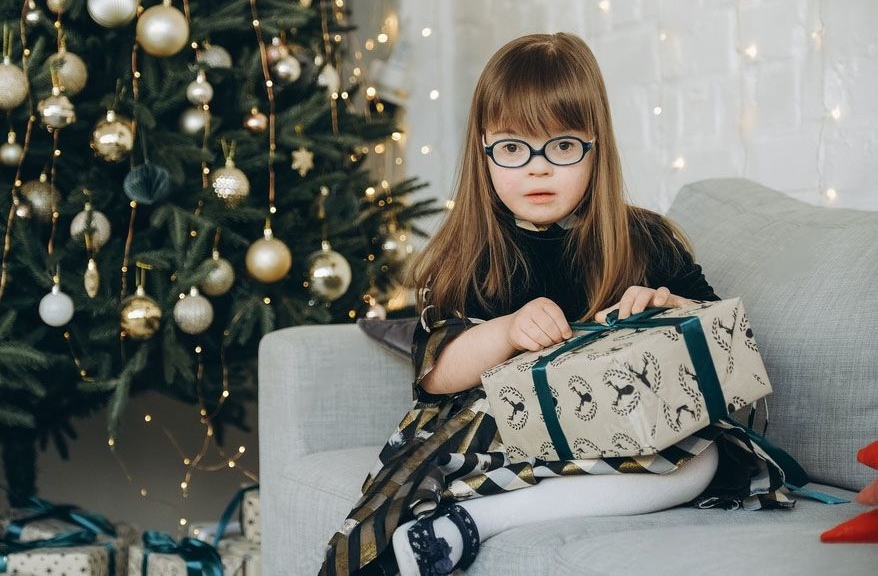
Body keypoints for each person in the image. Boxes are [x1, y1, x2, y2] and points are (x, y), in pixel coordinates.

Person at [319, 33, 795, 576]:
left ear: (596, 146)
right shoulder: (467, 251)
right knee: (478, 425)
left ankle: (474, 524)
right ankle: (467, 515)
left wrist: (666, 309)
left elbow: (724, 342)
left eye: (563, 146)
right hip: (504, 432)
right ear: (484, 151)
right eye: (513, 148)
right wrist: (506, 332)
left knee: (702, 456)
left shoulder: (645, 239)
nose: (537, 168)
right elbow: (436, 375)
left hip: (617, 433)